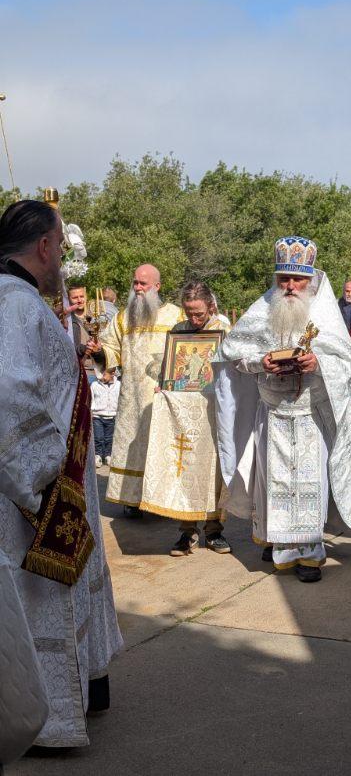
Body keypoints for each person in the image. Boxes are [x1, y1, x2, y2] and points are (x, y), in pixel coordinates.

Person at [0, 200, 122, 749]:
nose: (63, 266)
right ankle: (42, 719)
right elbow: (7, 393)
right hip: (33, 492)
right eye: (61, 251)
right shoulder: (14, 304)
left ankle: (84, 687)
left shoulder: (18, 300)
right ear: (45, 247)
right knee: (38, 597)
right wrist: (43, 475)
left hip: (56, 476)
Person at [214, 236, 351, 582]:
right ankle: (279, 546)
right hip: (272, 415)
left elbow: (345, 361)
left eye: (298, 279)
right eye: (284, 278)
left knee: (310, 484)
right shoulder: (262, 310)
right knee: (274, 485)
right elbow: (234, 356)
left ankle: (309, 554)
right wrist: (261, 362)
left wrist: (318, 362)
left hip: (310, 417)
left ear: (311, 279)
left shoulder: (325, 313)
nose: (291, 286)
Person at [142, 280, 232, 556]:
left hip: (213, 413)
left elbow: (234, 370)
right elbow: (165, 367)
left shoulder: (224, 331)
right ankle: (187, 531)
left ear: (211, 307)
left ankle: (214, 531)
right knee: (184, 468)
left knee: (213, 470)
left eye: (199, 313)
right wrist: (163, 383)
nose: (194, 319)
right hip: (182, 416)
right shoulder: (179, 331)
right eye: (189, 312)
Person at [95, 264, 184, 517]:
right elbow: (110, 348)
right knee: (132, 448)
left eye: (143, 283)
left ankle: (162, 500)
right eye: (135, 282)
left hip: (162, 397)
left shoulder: (176, 316)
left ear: (157, 286)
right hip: (132, 398)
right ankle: (132, 500)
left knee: (162, 446)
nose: (137, 288)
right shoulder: (123, 317)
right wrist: (99, 351)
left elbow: (186, 350)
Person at [91, 367, 120, 467]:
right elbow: (91, 399)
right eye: (100, 374)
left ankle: (108, 455)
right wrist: (92, 409)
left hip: (112, 416)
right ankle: (98, 456)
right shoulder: (94, 385)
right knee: (98, 438)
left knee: (109, 438)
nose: (101, 377)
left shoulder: (119, 385)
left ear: (112, 374)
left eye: (104, 375)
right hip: (98, 416)